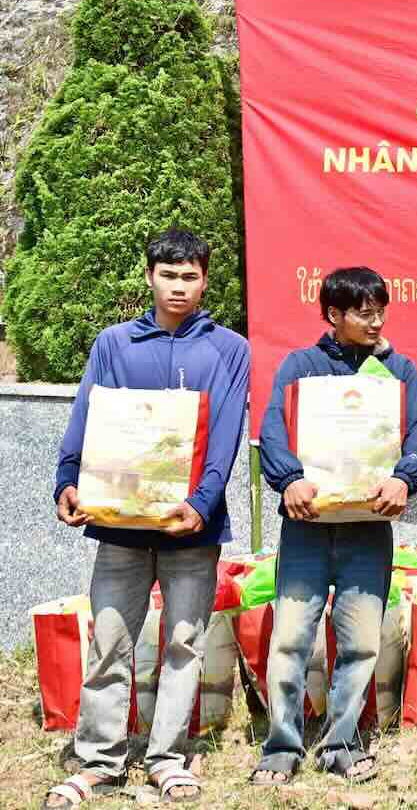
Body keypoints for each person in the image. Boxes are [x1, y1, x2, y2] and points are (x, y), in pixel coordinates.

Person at [45, 229, 249, 809]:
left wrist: (202, 504)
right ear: (149, 276)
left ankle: (167, 759)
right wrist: (67, 480)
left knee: (185, 642)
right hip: (119, 524)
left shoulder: (228, 349)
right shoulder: (114, 343)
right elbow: (87, 413)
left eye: (189, 276)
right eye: (168, 274)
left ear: (205, 280)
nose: (178, 286)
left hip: (192, 525)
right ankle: (100, 761)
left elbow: (227, 434)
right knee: (110, 641)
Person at [251, 267, 417, 786]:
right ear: (334, 315)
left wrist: (404, 478)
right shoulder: (300, 367)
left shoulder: (399, 371)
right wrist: (288, 480)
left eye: (381, 311)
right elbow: (273, 429)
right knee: (290, 639)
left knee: (360, 644)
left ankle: (341, 745)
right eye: (363, 312)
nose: (376, 322)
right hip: (308, 525)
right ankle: (281, 747)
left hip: (367, 527)